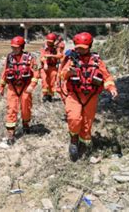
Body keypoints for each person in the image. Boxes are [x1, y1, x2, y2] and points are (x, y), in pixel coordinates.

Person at [60, 32, 118, 161]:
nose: (80, 50)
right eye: (78, 47)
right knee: (74, 118)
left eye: (83, 48)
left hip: (91, 96)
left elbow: (106, 76)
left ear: (89, 47)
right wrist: (69, 72)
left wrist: (111, 88)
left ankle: (83, 145)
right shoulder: (71, 59)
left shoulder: (97, 61)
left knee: (87, 124)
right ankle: (74, 141)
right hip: (74, 95)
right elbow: (62, 75)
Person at [0, 36, 39, 144]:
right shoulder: (9, 57)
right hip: (12, 87)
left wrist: (32, 85)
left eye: (16, 47)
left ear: (22, 47)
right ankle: (10, 133)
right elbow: (5, 72)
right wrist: (2, 86)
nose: (14, 49)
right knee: (11, 109)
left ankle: (26, 124)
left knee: (26, 107)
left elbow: (36, 73)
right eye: (13, 47)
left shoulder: (30, 58)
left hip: (25, 86)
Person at [39, 33, 65, 102]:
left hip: (53, 67)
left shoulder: (56, 47)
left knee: (52, 81)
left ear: (54, 41)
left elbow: (60, 56)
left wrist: (50, 56)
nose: (49, 43)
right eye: (48, 42)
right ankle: (45, 95)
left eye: (51, 42)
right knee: (44, 81)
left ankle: (50, 95)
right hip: (44, 67)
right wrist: (45, 64)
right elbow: (42, 57)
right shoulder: (43, 47)